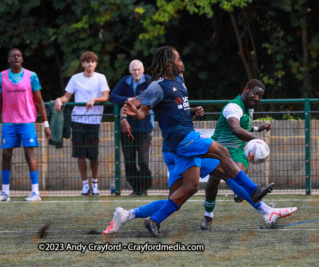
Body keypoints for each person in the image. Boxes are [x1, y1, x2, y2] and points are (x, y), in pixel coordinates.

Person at [117, 46, 283, 237]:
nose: (182, 62)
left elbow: (175, 107)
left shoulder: (180, 80)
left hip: (184, 138)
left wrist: (191, 110)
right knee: (222, 152)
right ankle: (253, 191)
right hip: (181, 139)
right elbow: (140, 111)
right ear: (169, 63)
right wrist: (125, 118)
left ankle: (153, 220)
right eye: (178, 59)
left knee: (190, 188)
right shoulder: (157, 86)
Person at [201, 79, 296, 230]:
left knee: (238, 174)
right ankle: (208, 216)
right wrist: (257, 140)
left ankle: (241, 193)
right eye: (255, 94)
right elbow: (235, 128)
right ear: (246, 89)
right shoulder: (233, 106)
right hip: (218, 149)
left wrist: (258, 129)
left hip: (238, 150)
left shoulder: (249, 107)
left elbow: (244, 126)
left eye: (260, 96)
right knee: (213, 180)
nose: (257, 98)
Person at [55, 51, 110, 196]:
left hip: (94, 121)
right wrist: (59, 100)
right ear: (83, 64)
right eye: (87, 61)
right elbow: (67, 96)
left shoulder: (101, 78)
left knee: (93, 155)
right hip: (77, 120)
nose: (90, 64)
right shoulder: (75, 78)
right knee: (80, 154)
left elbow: (105, 96)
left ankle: (95, 184)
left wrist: (94, 99)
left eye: (92, 61)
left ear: (95, 64)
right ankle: (85, 185)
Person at [0, 48, 51, 202]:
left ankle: (35, 192)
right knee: (6, 155)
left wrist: (46, 124)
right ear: (8, 59)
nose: (16, 57)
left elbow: (40, 101)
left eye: (18, 55)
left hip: (27, 121)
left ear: (22, 59)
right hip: (8, 122)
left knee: (29, 155)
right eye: (13, 56)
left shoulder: (32, 76)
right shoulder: (1, 76)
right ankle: (5, 193)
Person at [110, 60, 153, 196]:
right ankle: (136, 189)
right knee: (129, 159)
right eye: (134, 70)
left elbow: (154, 97)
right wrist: (128, 99)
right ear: (130, 71)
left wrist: (137, 102)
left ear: (143, 70)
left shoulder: (150, 82)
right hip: (127, 128)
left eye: (138, 69)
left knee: (143, 159)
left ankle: (144, 188)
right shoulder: (124, 81)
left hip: (145, 127)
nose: (136, 72)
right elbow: (113, 96)